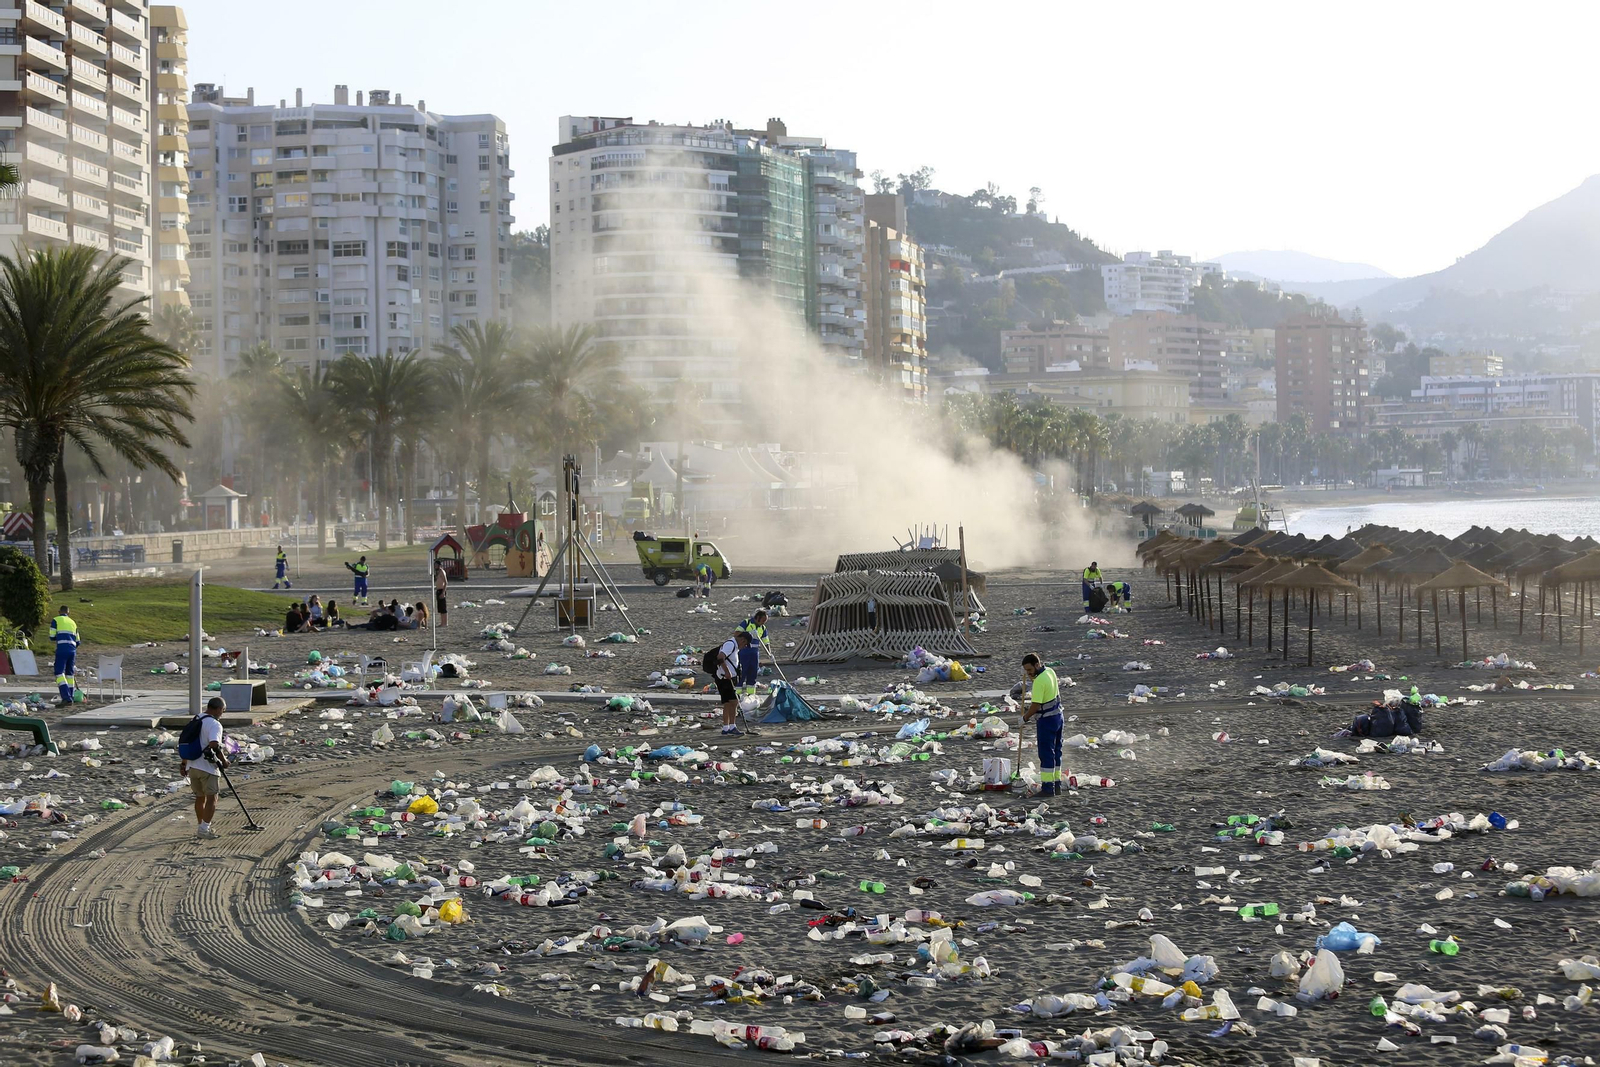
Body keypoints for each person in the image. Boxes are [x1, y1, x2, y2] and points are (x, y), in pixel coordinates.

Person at [180, 696, 228, 838]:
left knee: (200, 797)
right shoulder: (215, 724)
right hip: (207, 767)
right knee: (212, 798)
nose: (222, 713)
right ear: (219, 709)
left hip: (192, 765)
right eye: (223, 710)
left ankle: (201, 825)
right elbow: (214, 744)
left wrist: (184, 764)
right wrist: (224, 761)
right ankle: (204, 829)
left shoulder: (195, 719)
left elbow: (186, 741)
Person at [1021, 652, 1065, 796]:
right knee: (1056, 753)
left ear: (1037, 665)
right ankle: (1056, 784)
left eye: (1029, 670)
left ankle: (1047, 788)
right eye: (1026, 671)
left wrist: (1025, 718)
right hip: (1059, 716)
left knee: (1046, 754)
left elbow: (1036, 705)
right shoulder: (1050, 672)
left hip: (1047, 721)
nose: (1028, 673)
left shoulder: (1039, 681)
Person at [715, 631, 752, 735]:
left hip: (724, 677)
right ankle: (732, 726)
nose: (744, 646)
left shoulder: (733, 645)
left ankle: (726, 728)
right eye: (745, 644)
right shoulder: (730, 644)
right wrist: (727, 672)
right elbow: (720, 657)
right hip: (725, 678)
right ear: (742, 640)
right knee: (734, 702)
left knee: (727, 703)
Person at [48, 605, 79, 706]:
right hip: (72, 650)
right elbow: (78, 641)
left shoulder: (56, 620)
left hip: (62, 648)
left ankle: (66, 697)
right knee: (70, 674)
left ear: (59, 612)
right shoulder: (73, 623)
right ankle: (71, 696)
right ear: (68, 613)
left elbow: (52, 636)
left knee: (59, 673)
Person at [736, 609, 770, 698]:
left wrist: (769, 653)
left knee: (752, 674)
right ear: (757, 618)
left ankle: (751, 695)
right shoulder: (746, 623)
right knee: (742, 673)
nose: (763, 623)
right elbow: (736, 633)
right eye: (763, 620)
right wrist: (748, 634)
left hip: (754, 653)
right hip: (744, 651)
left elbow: (766, 642)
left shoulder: (763, 628)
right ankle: (737, 695)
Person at [434, 562, 449, 629]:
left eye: (436, 565)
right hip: (438, 590)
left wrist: (443, 592)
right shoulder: (437, 572)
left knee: (443, 607)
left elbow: (446, 582)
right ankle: (442, 622)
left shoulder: (442, 572)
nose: (435, 566)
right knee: (440, 607)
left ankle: (445, 623)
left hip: (442, 590)